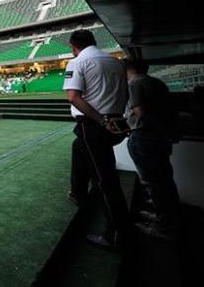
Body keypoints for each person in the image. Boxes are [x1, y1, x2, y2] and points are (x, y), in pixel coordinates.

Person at [63, 29, 130, 250]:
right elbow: (125, 94)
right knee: (78, 148)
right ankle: (78, 192)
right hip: (116, 122)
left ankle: (117, 234)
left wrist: (100, 120)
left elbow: (73, 97)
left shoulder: (77, 62)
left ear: (74, 47)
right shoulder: (116, 62)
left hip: (94, 125)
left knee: (105, 179)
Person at [123, 57, 180, 240]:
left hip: (144, 137)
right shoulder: (158, 83)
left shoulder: (134, 84)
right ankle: (164, 217)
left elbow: (140, 113)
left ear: (127, 68)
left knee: (153, 182)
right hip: (159, 138)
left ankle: (164, 227)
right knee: (164, 179)